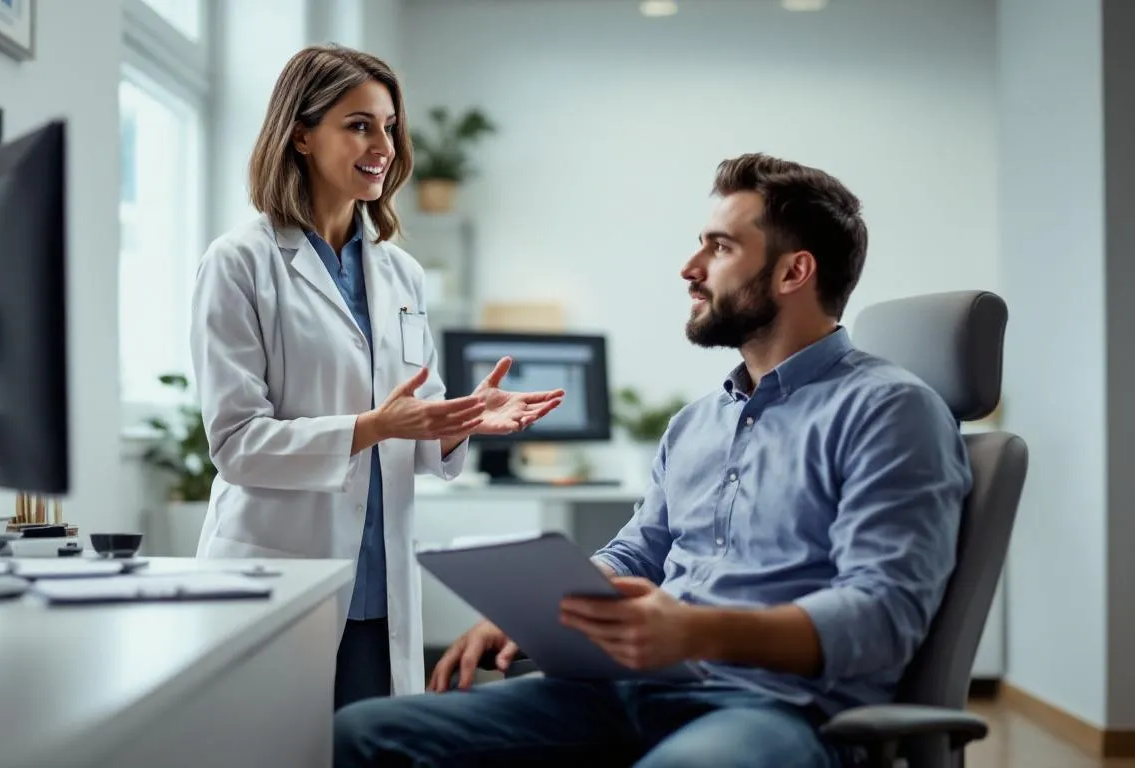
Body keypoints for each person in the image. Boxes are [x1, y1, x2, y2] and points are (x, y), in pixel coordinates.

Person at [332, 153, 974, 767]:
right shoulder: (696, 423)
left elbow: (882, 616)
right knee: (365, 733)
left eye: (720, 247)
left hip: (780, 708)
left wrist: (696, 631)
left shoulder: (891, 412)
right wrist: (539, 606)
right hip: (631, 689)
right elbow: (636, 554)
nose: (689, 267)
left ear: (792, 273)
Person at [189, 44, 564, 711]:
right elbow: (238, 444)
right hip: (279, 571)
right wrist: (372, 427)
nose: (383, 144)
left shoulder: (401, 274)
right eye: (359, 124)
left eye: (388, 126)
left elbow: (415, 438)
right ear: (300, 134)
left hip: (379, 592)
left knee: (367, 751)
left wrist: (463, 420)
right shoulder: (240, 263)